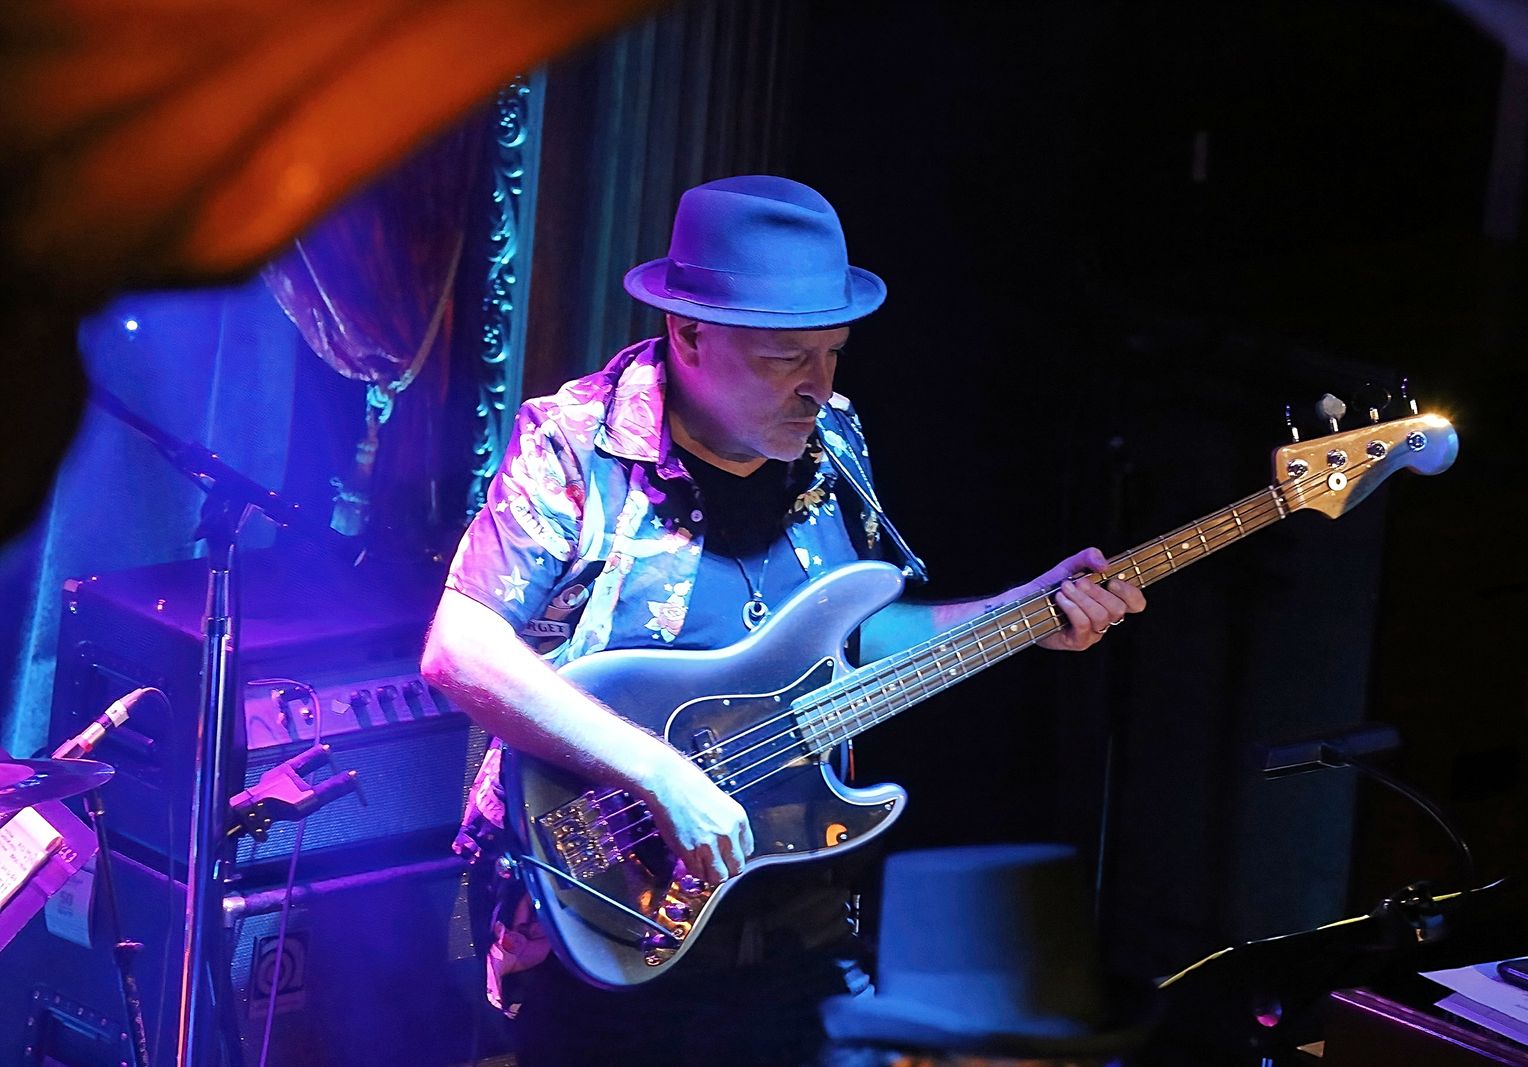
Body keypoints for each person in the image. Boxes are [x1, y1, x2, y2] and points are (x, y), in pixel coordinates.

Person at [420, 175, 1147, 1066]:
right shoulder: (574, 444)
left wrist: (1020, 615)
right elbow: (459, 649)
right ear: (689, 332)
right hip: (610, 914)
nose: (818, 386)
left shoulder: (834, 437)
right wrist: (663, 776)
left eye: (834, 353)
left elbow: (856, 643)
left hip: (799, 922)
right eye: (785, 357)